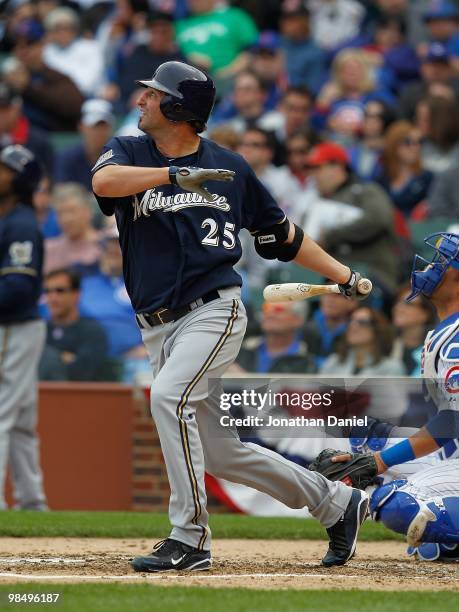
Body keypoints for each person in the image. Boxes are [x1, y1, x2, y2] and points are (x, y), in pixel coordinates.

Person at [91, 60, 370, 572]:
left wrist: (344, 273)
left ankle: (190, 537)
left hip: (213, 311)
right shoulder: (131, 152)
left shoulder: (231, 167)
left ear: (177, 108)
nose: (141, 100)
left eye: (153, 95)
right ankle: (337, 502)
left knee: (168, 398)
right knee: (220, 454)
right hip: (156, 326)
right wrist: (172, 175)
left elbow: (283, 236)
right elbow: (106, 184)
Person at [327, 231, 459, 560]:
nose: (430, 266)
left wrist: (381, 463)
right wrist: (377, 455)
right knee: (366, 436)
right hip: (452, 456)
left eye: (441, 261)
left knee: (396, 504)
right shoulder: (442, 332)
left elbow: (452, 421)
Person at [0, 144, 47, 511]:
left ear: (20, 180)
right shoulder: (9, 219)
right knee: (20, 418)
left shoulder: (21, 224)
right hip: (16, 327)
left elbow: (16, 287)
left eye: (5, 169)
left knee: (3, 411)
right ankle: (32, 501)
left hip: (14, 326)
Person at [302, 142, 398, 294]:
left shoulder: (366, 191)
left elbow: (378, 219)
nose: (314, 175)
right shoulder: (313, 203)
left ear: (338, 167)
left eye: (318, 168)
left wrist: (329, 236)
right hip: (332, 283)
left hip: (372, 275)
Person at [79, 227, 150, 383]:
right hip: (89, 362)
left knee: (146, 378)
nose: (112, 249)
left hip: (135, 360)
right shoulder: (85, 285)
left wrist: (148, 349)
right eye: (108, 245)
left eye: (118, 244)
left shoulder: (145, 285)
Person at [6, 19, 84, 132]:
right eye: (16, 44)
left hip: (51, 141)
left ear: (42, 44)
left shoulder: (56, 77)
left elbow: (75, 107)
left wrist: (28, 87)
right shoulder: (6, 79)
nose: (22, 50)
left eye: (29, 43)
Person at [39, 268, 114, 381]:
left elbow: (82, 373)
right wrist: (63, 358)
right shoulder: (39, 329)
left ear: (76, 294)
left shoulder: (93, 331)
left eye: (60, 291)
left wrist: (46, 358)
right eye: (47, 291)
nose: (52, 298)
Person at [320, 306, 404, 376]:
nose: (353, 326)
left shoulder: (391, 368)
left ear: (377, 329)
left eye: (362, 322)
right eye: (351, 321)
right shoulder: (333, 362)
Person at [236, 301, 316, 374]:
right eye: (266, 308)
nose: (270, 314)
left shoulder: (307, 360)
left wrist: (243, 377)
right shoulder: (240, 349)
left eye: (278, 309)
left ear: (298, 320)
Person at [42, 6, 105, 98]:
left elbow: (89, 82)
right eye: (58, 29)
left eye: (67, 28)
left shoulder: (91, 47)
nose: (63, 33)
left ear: (75, 29)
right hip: (56, 100)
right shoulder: (46, 52)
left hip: (91, 97)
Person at [54, 99, 116, 192]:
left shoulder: (122, 157)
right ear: (81, 127)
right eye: (94, 126)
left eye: (103, 126)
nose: (98, 132)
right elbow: (62, 192)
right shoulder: (68, 158)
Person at [378, 120, 433, 218]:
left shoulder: (427, 178)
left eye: (419, 142)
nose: (415, 147)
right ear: (394, 145)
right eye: (408, 142)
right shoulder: (381, 178)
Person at [0, 80, 54, 177]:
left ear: (17, 107)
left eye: (4, 108)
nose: (1, 114)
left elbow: (49, 178)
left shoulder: (38, 141)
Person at [279, 0, 326, 95]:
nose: (286, 24)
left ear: (305, 21)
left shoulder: (316, 52)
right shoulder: (277, 44)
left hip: (296, 100)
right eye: (284, 19)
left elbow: (313, 89)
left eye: (293, 20)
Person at [391, 283, 437, 376]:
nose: (397, 308)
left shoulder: (435, 352)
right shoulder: (386, 346)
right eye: (397, 302)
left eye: (407, 303)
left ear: (425, 314)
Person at [303, 292, 358, 369]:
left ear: (352, 302)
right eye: (327, 293)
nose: (330, 299)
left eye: (338, 295)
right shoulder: (303, 327)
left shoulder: (358, 333)